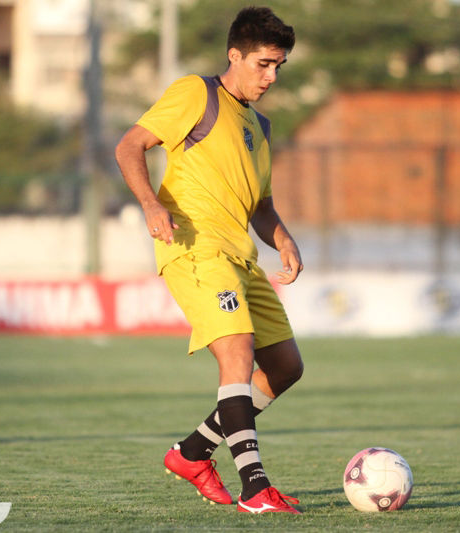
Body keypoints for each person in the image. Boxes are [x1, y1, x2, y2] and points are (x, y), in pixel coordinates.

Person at [115, 6, 304, 515]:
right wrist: (151, 204)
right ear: (234, 55)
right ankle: (255, 486)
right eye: (263, 63)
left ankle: (194, 453)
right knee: (237, 350)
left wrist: (283, 239)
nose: (270, 76)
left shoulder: (261, 126)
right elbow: (131, 145)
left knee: (286, 367)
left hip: (242, 257)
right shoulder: (196, 93)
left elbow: (261, 206)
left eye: (278, 66)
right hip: (194, 248)